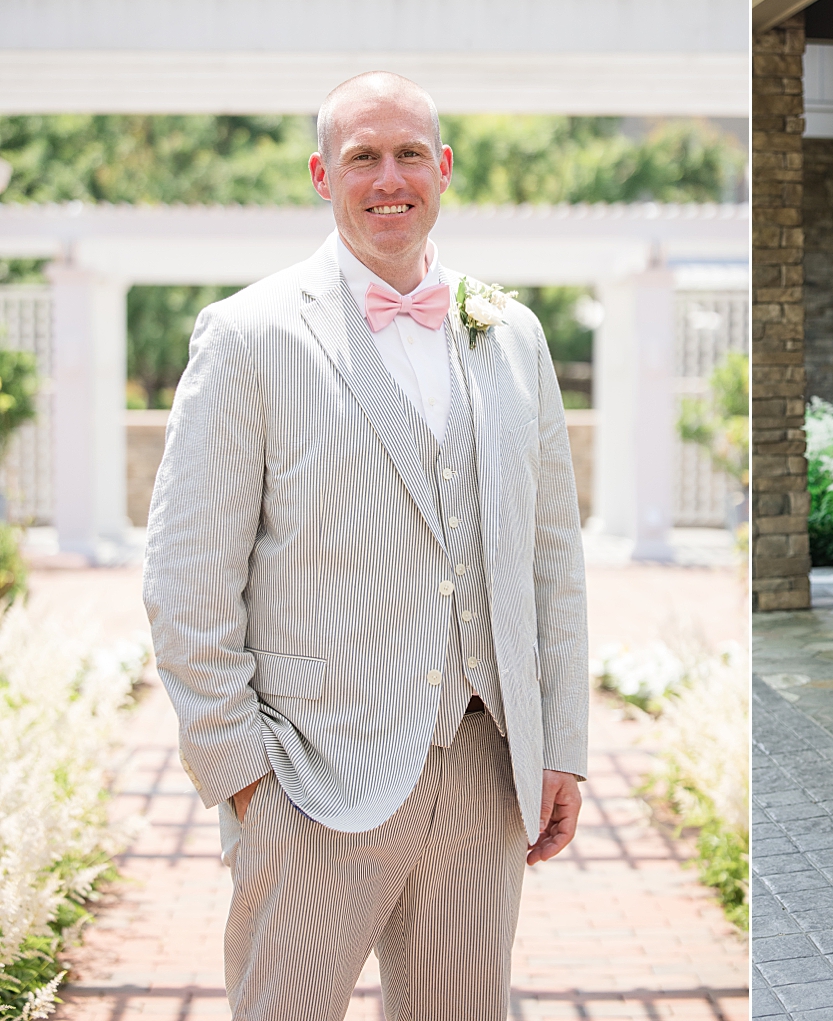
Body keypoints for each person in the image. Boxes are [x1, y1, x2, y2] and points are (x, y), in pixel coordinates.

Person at [143, 71, 590, 1020]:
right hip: (313, 773)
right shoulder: (248, 335)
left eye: (409, 154)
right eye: (362, 158)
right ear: (321, 175)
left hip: (484, 763)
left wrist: (563, 746)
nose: (390, 178)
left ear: (445, 168)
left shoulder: (512, 335)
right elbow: (187, 582)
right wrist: (246, 779)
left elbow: (552, 559)